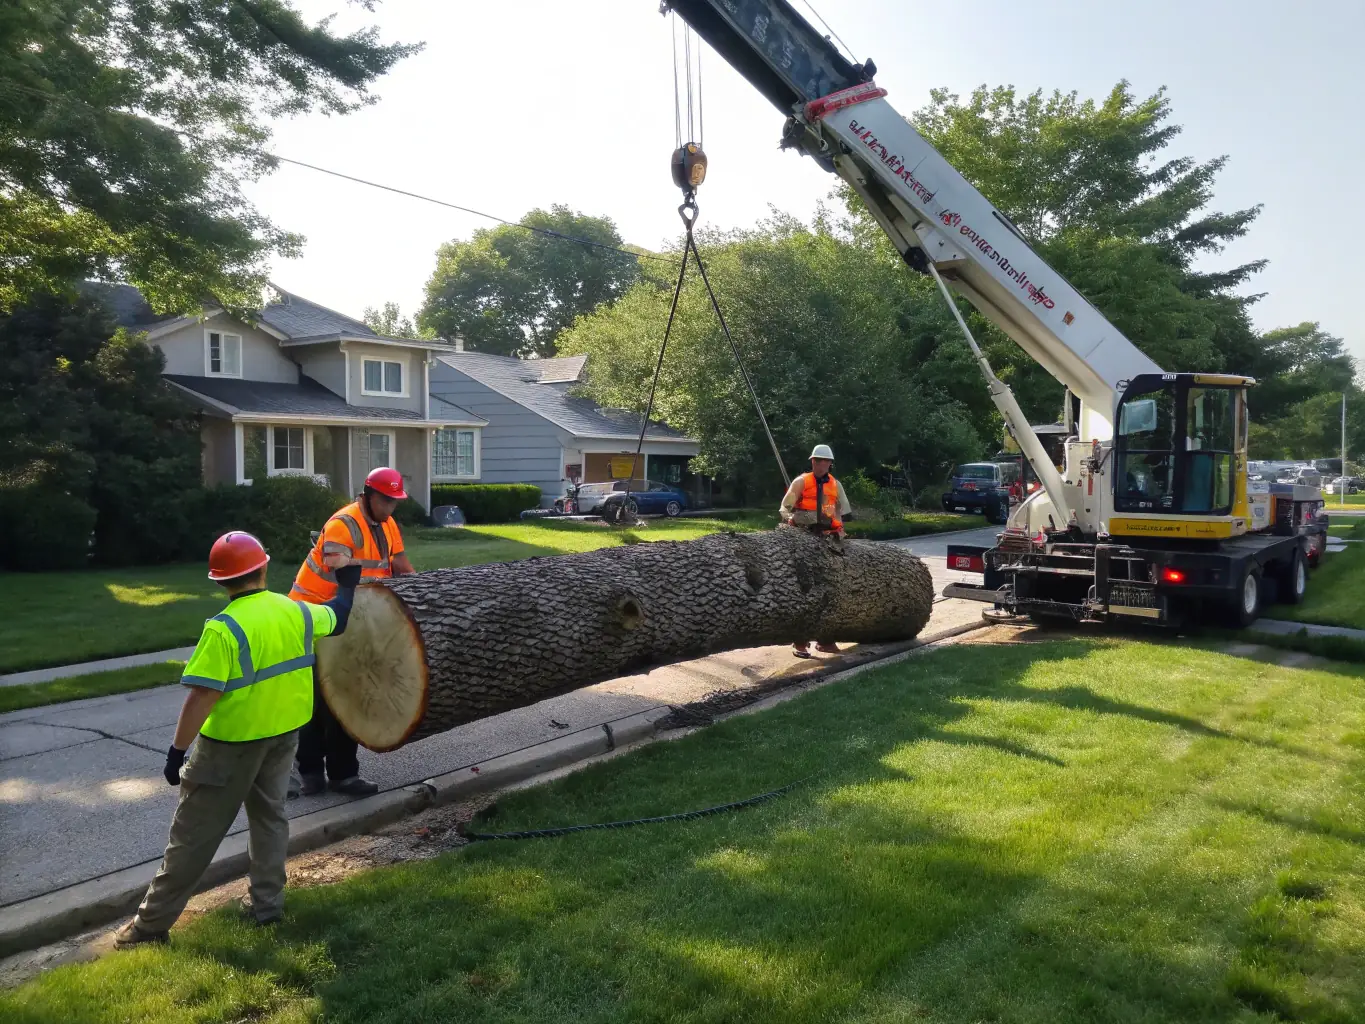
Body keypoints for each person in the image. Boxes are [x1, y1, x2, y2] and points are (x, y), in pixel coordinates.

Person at [113, 532, 361, 948]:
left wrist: (177, 752)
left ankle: (149, 927)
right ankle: (267, 906)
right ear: (263, 568)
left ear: (219, 581)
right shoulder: (295, 611)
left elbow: (202, 695)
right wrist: (347, 583)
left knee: (193, 836)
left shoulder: (223, 630)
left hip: (229, 748)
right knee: (270, 819)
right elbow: (338, 615)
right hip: (284, 737)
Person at [290, 466, 415, 796]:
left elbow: (400, 565)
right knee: (317, 700)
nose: (391, 507)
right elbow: (338, 568)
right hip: (316, 617)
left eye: (395, 501)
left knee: (348, 696)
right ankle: (311, 772)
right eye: (386, 500)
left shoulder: (387, 525)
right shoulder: (342, 524)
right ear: (369, 495)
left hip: (351, 619)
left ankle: (344, 774)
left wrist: (421, 592)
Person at [778, 443, 853, 659]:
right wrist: (791, 519)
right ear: (812, 462)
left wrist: (839, 529)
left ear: (830, 464)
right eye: (817, 461)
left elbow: (841, 511)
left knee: (831, 587)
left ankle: (826, 639)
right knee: (805, 587)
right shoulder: (801, 482)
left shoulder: (835, 485)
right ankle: (800, 642)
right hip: (802, 537)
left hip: (827, 538)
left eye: (825, 461)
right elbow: (785, 507)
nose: (821, 464)